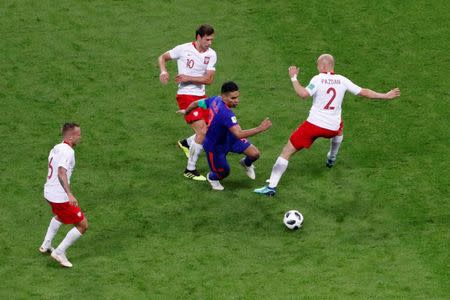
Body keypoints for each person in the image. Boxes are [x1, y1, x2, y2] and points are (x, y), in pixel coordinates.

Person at [254, 54, 401, 196]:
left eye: (317, 65)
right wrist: (385, 95)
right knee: (339, 126)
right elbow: (364, 92)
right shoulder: (342, 80)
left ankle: (271, 187)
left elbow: (303, 94)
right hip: (332, 128)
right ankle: (332, 156)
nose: (317, 67)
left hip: (313, 126)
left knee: (286, 151)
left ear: (323, 66)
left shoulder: (318, 79)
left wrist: (293, 78)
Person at [178, 81, 272, 190]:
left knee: (255, 154)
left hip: (229, 138)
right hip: (215, 146)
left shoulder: (215, 100)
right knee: (223, 173)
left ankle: (246, 163)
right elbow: (239, 134)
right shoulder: (225, 113)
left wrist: (186, 112)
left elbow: (196, 103)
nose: (237, 101)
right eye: (233, 98)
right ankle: (211, 178)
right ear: (223, 97)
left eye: (237, 97)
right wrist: (260, 128)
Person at [158, 24, 217, 181]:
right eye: (207, 39)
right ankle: (190, 169)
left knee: (210, 128)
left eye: (212, 40)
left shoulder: (211, 54)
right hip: (185, 95)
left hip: (201, 96)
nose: (210, 43)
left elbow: (209, 80)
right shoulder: (183, 49)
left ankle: (186, 143)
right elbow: (162, 57)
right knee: (202, 131)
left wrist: (188, 77)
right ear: (198, 37)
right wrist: (163, 71)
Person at [39, 123, 88, 267]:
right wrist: (69, 194)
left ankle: (46, 245)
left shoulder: (56, 147)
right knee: (82, 225)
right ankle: (59, 252)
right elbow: (61, 172)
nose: (80, 137)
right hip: (59, 197)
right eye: (79, 135)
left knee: (61, 215)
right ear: (71, 136)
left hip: (48, 192)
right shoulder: (68, 151)